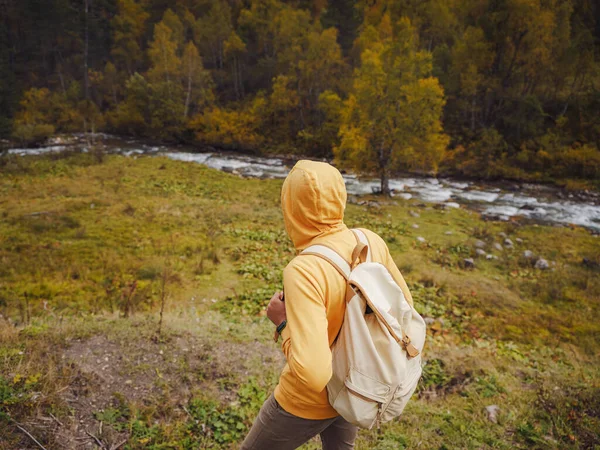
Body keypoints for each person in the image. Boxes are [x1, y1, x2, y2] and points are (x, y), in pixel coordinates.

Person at [240, 160, 414, 450]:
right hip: (354, 386)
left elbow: (314, 375)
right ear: (339, 196)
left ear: (292, 207)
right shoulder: (370, 240)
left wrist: (282, 324)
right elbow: (405, 308)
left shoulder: (304, 270)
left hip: (306, 403)